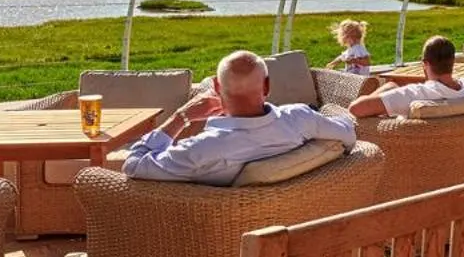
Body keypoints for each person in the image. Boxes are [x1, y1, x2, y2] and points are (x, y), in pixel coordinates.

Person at [122, 49, 355, 185]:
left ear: (215, 86)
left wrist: (179, 118)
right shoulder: (300, 119)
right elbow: (348, 133)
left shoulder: (204, 149)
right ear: (267, 86)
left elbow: (133, 166)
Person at [348, 35, 464, 118]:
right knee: (391, 86)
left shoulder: (415, 95)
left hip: (414, 153)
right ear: (453, 61)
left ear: (425, 63)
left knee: (390, 87)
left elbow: (355, 109)